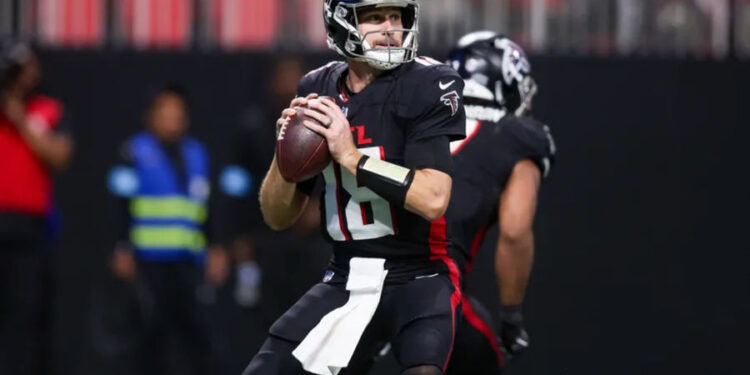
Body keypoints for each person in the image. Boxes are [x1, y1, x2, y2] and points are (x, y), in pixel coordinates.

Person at [242, 1, 467, 374]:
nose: (391, 28)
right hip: (344, 277)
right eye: (376, 17)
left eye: (397, 17)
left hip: (419, 276)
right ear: (340, 22)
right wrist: (284, 152)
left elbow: (433, 198)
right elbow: (278, 217)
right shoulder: (318, 87)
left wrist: (352, 158)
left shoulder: (428, 83)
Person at [443, 32, 556, 374]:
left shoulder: (413, 113)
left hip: (354, 276)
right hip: (429, 287)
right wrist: (511, 316)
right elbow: (515, 231)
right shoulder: (518, 136)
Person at [106, 85, 229, 375]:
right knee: (149, 340)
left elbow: (206, 209)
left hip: (187, 264)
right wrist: (121, 246)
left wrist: (215, 248)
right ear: (151, 117)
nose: (172, 119)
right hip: (148, 264)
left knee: (201, 339)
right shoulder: (132, 152)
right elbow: (118, 205)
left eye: (178, 113)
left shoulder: (198, 154)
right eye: (165, 113)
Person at [0, 39, 74, 375]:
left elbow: (61, 155)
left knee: (26, 313)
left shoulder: (47, 109)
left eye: (23, 68)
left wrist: (19, 119)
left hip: (28, 230)